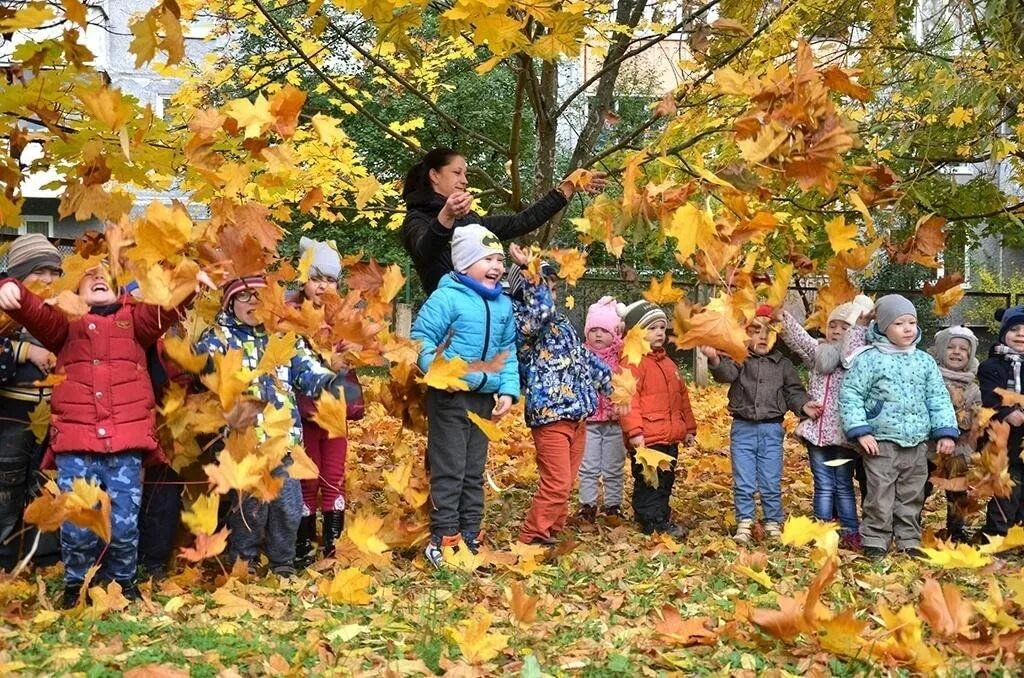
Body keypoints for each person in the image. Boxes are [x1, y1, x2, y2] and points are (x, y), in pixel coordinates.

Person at [0, 263, 200, 606]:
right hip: (76, 445)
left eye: (106, 275)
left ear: (121, 289)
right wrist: (12, 290)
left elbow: (165, 309)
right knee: (77, 526)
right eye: (88, 276)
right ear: (75, 293)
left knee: (123, 526)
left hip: (125, 444)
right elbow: (35, 313)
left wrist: (190, 283)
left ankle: (122, 582)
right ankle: (76, 584)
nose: (97, 278)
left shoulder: (135, 322)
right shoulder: (65, 325)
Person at [194, 276, 356, 577]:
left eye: (259, 296)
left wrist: (329, 383)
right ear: (230, 303)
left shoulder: (283, 337)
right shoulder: (218, 337)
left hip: (283, 437)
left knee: (288, 505)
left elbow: (307, 369)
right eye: (244, 297)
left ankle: (283, 562)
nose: (253, 302)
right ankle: (245, 560)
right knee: (249, 508)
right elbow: (201, 362)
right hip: (242, 439)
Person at [410, 224, 520, 567]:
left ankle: (470, 535)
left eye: (500, 259)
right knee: (451, 469)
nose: (497, 266)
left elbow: (508, 351)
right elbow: (420, 340)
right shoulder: (447, 297)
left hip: (482, 401)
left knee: (474, 470)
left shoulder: (502, 305)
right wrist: (441, 371)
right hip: (450, 397)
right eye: (487, 258)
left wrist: (508, 389)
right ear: (464, 263)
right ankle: (443, 538)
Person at [839, 294, 958, 559]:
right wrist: (861, 430)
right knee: (879, 494)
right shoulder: (868, 359)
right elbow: (851, 394)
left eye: (912, 322)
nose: (908, 328)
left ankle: (908, 539)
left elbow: (937, 397)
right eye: (899, 323)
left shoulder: (924, 361)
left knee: (912, 493)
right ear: (882, 327)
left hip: (916, 442)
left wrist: (945, 430)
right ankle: (875, 539)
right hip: (880, 442)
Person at [506, 249, 613, 545]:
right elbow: (539, 315)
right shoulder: (521, 321)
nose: (550, 294)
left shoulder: (561, 324)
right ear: (525, 289)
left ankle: (552, 530)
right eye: (543, 287)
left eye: (552, 288)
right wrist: (530, 271)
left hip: (577, 414)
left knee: (566, 482)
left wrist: (611, 384)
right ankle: (531, 536)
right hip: (550, 414)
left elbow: (582, 358)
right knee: (557, 481)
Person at [401, 147, 606, 293]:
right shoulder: (416, 219)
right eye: (457, 172)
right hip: (450, 327)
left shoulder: (472, 220)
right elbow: (424, 251)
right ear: (434, 176)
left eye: (465, 173)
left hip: (486, 319)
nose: (464, 180)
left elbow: (521, 221)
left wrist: (567, 187)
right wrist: (445, 216)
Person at [704, 304, 820, 545]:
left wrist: (804, 406)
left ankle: (772, 522)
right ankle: (745, 521)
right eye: (756, 330)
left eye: (769, 331)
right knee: (744, 479)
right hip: (743, 428)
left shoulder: (783, 365)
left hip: (772, 430)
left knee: (770, 479)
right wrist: (715, 358)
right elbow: (726, 373)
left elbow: (794, 392)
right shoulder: (740, 359)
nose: (763, 336)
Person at [776, 295, 873, 550]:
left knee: (842, 483)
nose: (837, 331)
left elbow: (857, 341)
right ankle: (822, 528)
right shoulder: (819, 355)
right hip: (816, 434)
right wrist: (783, 318)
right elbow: (799, 340)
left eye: (844, 327)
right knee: (823, 483)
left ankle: (851, 530)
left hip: (843, 436)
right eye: (833, 326)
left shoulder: (856, 359)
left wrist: (860, 321)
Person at [291, 237, 362, 564]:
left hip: (336, 410)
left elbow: (359, 351)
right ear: (302, 279)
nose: (322, 286)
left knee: (333, 474)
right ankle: (301, 543)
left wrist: (355, 351)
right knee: (306, 474)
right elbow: (291, 358)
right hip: (304, 411)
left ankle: (334, 543)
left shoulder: (344, 315)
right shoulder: (290, 315)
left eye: (330, 279)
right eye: (315, 278)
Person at [0, 233, 63, 571]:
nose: (48, 280)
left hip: (53, 412)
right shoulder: (5, 306)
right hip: (12, 413)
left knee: (47, 485)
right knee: (7, 486)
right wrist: (27, 350)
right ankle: (4, 561)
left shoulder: (64, 308)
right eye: (40, 271)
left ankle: (46, 558)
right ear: (19, 274)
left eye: (54, 271)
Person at [619, 300, 696, 539]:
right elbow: (626, 400)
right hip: (647, 439)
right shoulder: (632, 363)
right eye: (652, 328)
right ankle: (651, 520)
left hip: (669, 435)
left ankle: (659, 514)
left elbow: (681, 398)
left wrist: (688, 428)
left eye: (662, 328)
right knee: (649, 481)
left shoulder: (668, 364)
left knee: (665, 480)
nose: (660, 333)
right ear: (635, 333)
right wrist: (634, 432)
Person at [924, 325, 981, 543]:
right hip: (931, 448)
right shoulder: (931, 378)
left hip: (959, 450)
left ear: (970, 355)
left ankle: (957, 531)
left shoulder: (973, 388)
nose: (957, 352)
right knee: (921, 487)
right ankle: (910, 524)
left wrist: (972, 446)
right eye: (951, 347)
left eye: (963, 349)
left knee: (958, 493)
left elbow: (978, 419)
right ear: (940, 350)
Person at [577, 296, 627, 521]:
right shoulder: (581, 355)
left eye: (604, 330)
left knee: (614, 466)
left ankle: (613, 503)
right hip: (589, 421)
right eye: (593, 329)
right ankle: (587, 504)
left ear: (615, 333)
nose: (598, 334)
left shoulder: (621, 355)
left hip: (614, 421)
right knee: (588, 466)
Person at [978, 306, 1024, 537]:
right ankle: (998, 535)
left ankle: (1019, 535)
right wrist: (1006, 412)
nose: (1021, 334)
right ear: (1003, 333)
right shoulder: (992, 366)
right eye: (1014, 329)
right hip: (1003, 440)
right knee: (1006, 490)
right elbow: (988, 395)